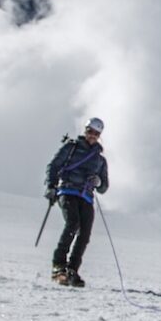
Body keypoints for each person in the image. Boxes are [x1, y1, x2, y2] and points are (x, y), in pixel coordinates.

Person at [45, 118, 109, 287]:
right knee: (73, 223)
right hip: (67, 190)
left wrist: (98, 182)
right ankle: (58, 266)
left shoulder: (100, 160)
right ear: (85, 130)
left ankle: (72, 269)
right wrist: (51, 186)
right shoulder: (71, 148)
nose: (92, 136)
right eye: (90, 132)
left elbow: (104, 186)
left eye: (96, 134)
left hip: (86, 196)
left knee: (85, 233)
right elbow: (54, 165)